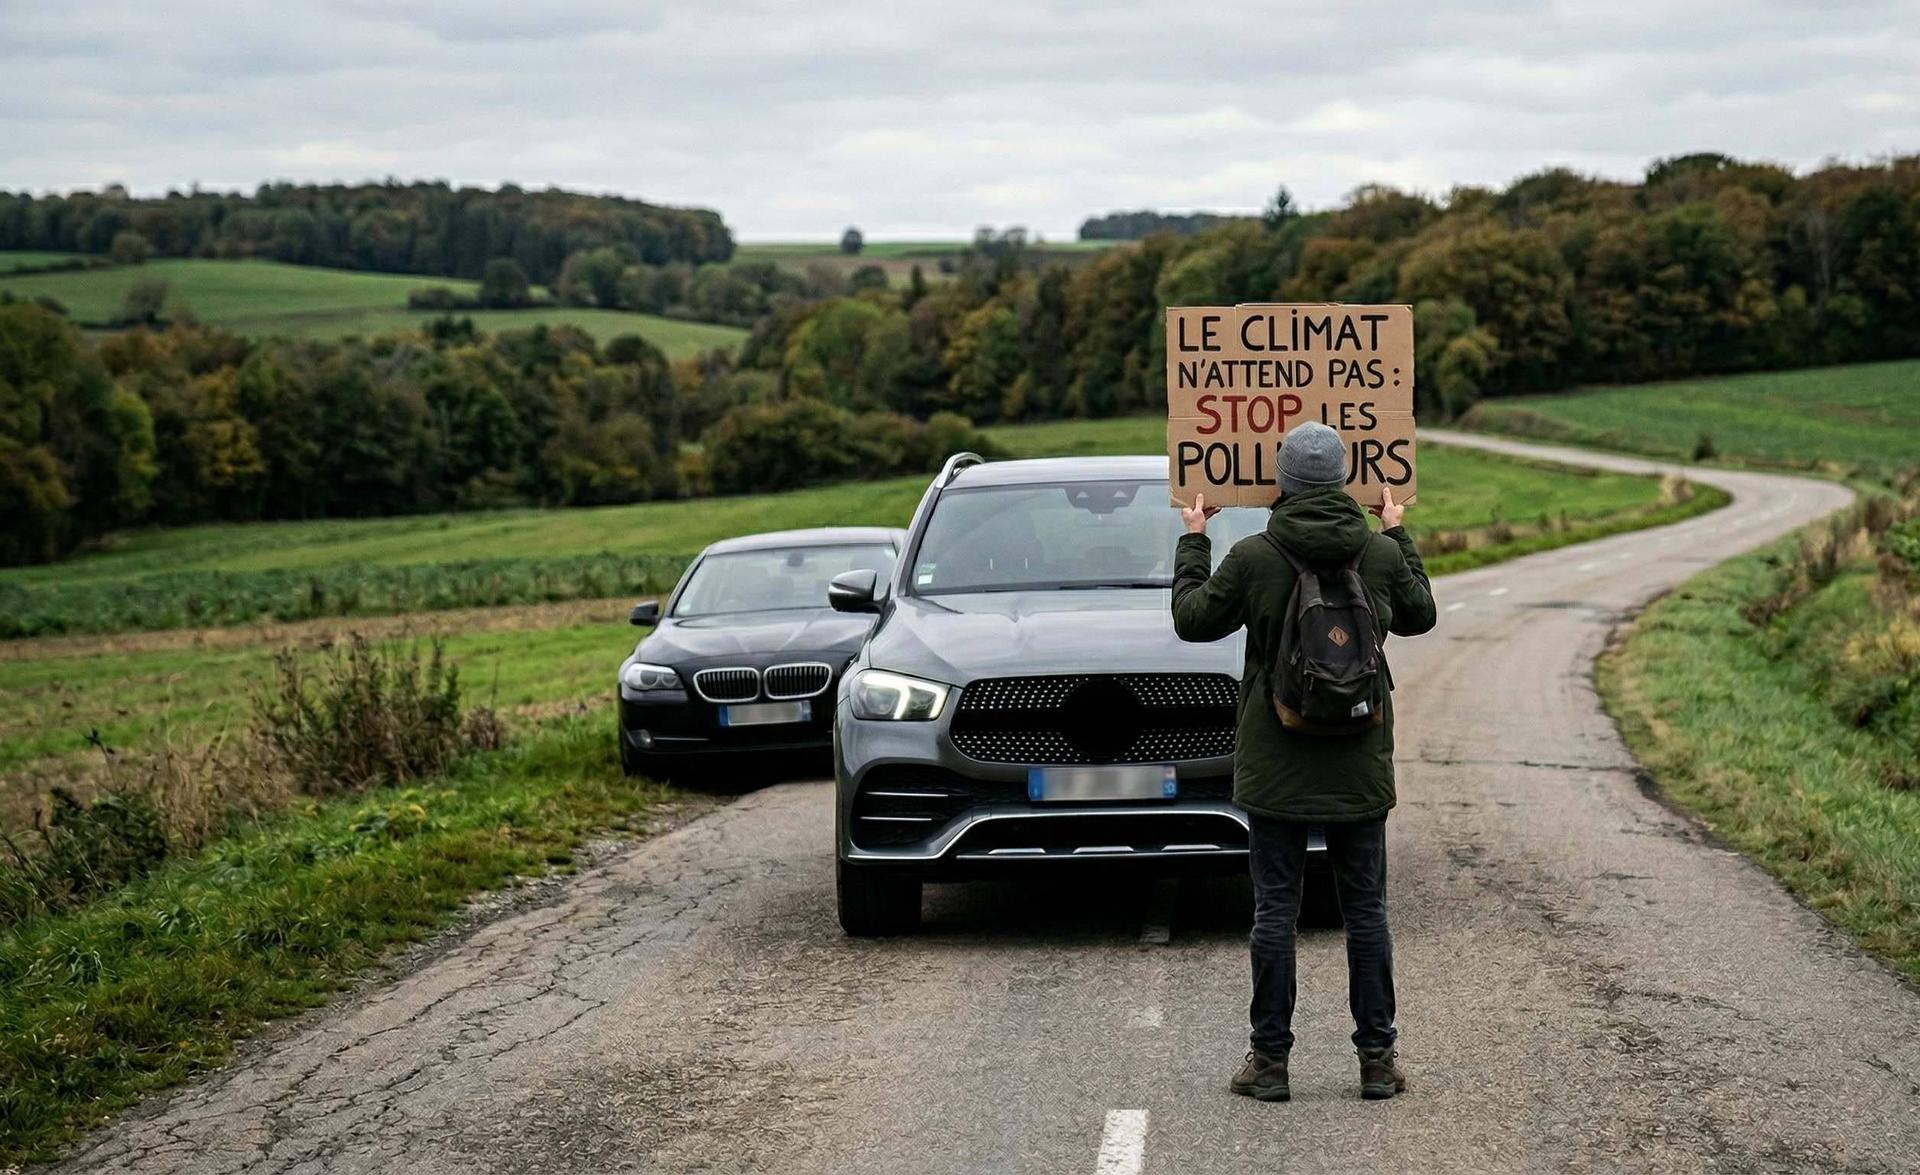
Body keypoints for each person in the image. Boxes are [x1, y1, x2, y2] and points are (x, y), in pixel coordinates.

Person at [1169, 421, 1436, 1102]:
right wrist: (1398, 531)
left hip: (1277, 762)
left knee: (1275, 912)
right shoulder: (1376, 553)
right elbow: (1421, 614)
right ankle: (1376, 1060)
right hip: (1358, 762)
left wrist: (1195, 538)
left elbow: (1193, 619)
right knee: (1367, 913)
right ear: (1344, 479)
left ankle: (1271, 1063)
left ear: (1282, 481)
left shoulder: (1256, 556)